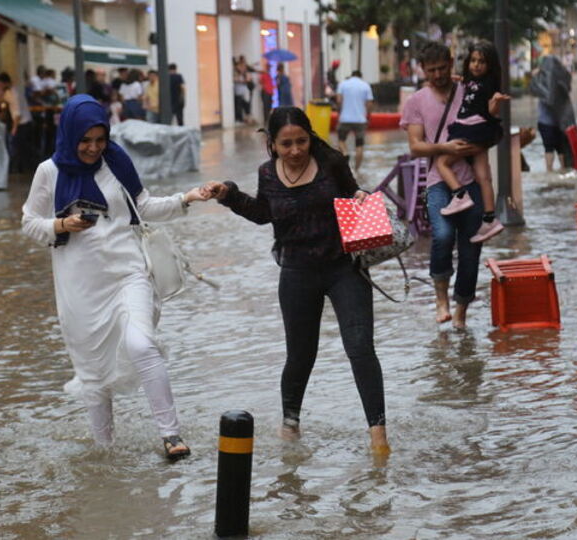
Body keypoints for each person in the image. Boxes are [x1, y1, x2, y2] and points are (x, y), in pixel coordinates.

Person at [21, 95, 210, 459]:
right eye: (85, 140)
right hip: (80, 288)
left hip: (129, 273)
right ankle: (104, 453)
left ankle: (171, 435)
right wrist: (62, 224)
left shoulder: (116, 160)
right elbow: (29, 222)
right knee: (93, 376)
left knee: (141, 344)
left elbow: (143, 207)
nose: (93, 148)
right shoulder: (49, 171)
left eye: (100, 139)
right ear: (70, 134)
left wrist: (187, 198)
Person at [203, 106, 390, 456]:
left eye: (301, 141)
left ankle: (378, 436)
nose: (295, 150)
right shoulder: (267, 174)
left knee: (361, 347)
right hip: (297, 272)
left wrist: (362, 196)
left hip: (343, 268)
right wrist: (228, 193)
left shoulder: (332, 160)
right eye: (286, 144)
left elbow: (354, 193)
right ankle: (290, 425)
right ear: (272, 144)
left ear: (310, 136)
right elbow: (263, 214)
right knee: (301, 355)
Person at [400, 41, 485, 329]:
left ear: (451, 63)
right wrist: (444, 146)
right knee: (443, 235)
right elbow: (415, 147)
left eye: (442, 68)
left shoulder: (468, 92)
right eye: (431, 70)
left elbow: (487, 122)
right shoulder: (416, 102)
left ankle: (461, 312)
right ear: (423, 70)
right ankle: (441, 300)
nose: (437, 74)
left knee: (472, 247)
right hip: (437, 181)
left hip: (472, 178)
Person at [433, 40, 509, 244]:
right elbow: (465, 85)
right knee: (483, 176)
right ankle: (490, 218)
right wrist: (458, 80)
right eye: (473, 60)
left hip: (472, 130)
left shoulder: (489, 87)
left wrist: (495, 105)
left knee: (442, 162)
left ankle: (459, 194)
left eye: (481, 62)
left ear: (490, 65)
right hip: (478, 132)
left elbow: (491, 111)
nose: (476, 65)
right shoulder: (469, 82)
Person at [530, 54, 575, 173]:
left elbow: (536, 91)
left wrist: (535, 77)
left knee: (549, 148)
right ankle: (562, 170)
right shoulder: (561, 77)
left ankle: (550, 172)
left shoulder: (543, 78)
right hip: (560, 121)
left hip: (546, 122)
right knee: (560, 148)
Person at [336, 70, 374, 171]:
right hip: (360, 120)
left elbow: (339, 100)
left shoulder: (343, 84)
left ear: (351, 75)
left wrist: (339, 113)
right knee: (359, 145)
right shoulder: (365, 85)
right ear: (361, 76)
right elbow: (370, 103)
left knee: (341, 140)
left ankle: (345, 153)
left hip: (345, 119)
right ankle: (357, 171)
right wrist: (367, 116)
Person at [233, 57, 253, 124]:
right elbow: (235, 79)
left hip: (245, 92)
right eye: (241, 66)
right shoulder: (236, 72)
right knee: (238, 105)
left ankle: (247, 118)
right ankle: (239, 119)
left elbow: (249, 79)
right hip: (238, 92)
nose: (242, 68)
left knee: (246, 105)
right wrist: (242, 80)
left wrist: (244, 79)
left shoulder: (246, 73)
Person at [259, 61, 275, 125]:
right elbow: (260, 81)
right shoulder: (264, 74)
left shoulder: (270, 75)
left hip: (270, 92)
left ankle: (268, 119)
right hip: (266, 92)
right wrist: (264, 86)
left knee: (269, 106)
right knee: (266, 106)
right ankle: (266, 120)